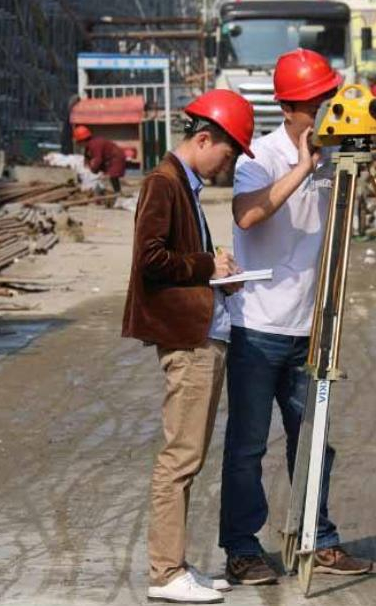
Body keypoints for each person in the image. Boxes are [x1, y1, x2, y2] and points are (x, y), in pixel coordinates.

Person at [219, 48, 374, 585]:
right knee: (248, 447)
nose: (326, 110)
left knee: (315, 441)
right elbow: (249, 214)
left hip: (313, 328)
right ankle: (242, 548)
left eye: (329, 98)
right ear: (288, 108)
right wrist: (306, 166)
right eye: (316, 102)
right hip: (258, 327)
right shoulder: (257, 158)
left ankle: (318, 539)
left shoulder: (335, 155)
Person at [122, 89, 255, 604]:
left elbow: (176, 259)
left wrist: (217, 276)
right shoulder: (163, 183)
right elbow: (151, 259)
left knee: (189, 456)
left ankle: (174, 563)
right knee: (180, 458)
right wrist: (207, 268)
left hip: (202, 333)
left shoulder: (184, 185)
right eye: (227, 153)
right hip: (188, 341)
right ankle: (165, 572)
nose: (228, 165)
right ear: (204, 139)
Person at [73, 125, 127, 193]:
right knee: (108, 175)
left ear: (82, 141)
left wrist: (93, 171)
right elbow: (87, 157)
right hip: (109, 159)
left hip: (115, 158)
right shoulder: (90, 145)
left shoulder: (95, 145)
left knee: (113, 176)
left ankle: (117, 192)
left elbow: (98, 159)